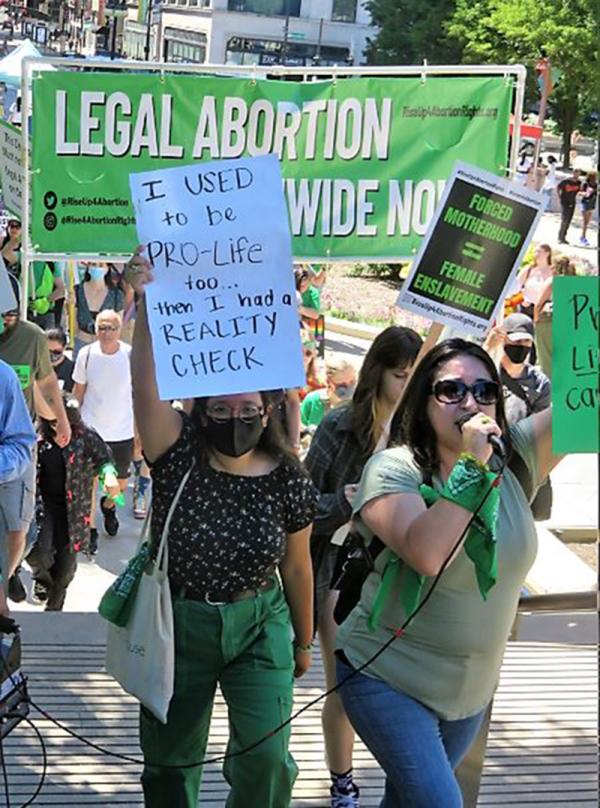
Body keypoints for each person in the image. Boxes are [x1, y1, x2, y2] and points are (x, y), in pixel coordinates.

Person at [125, 247, 316, 808]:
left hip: (260, 623)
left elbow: (298, 564)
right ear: (203, 410)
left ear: (268, 407)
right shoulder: (177, 450)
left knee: (267, 759)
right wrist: (145, 301)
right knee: (169, 761)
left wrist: (303, 641)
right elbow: (145, 388)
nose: (236, 420)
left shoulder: (287, 475)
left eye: (248, 410)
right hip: (180, 624)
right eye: (222, 411)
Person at [335, 338, 559, 807]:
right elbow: (428, 552)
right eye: (451, 390)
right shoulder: (392, 469)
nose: (470, 402)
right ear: (423, 400)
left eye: (483, 390)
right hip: (387, 678)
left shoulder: (516, 457)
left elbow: (587, 411)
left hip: (469, 693)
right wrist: (473, 464)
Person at [305, 326, 422, 808]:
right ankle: (343, 784)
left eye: (419, 377)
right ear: (378, 374)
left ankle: (409, 778)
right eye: (401, 376)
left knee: (406, 685)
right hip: (338, 568)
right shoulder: (338, 426)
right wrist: (344, 502)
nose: (409, 387)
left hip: (403, 570)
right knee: (344, 684)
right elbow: (301, 507)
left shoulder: (422, 432)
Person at [0, 272, 71, 603]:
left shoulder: (32, 337)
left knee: (19, 526)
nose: (5, 321)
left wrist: (62, 419)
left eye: (10, 314)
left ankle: (9, 573)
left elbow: (46, 382)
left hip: (18, 440)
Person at [27, 400, 120, 610]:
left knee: (66, 568)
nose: (59, 430)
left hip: (75, 511)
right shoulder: (37, 438)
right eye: (53, 424)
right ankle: (42, 580)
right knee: (37, 552)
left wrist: (109, 476)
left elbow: (104, 458)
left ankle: (54, 611)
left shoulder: (86, 438)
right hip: (43, 506)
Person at [484, 314, 553, 520]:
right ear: (504, 340)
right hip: (491, 458)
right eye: (515, 341)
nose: (521, 346)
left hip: (523, 463)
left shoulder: (540, 383)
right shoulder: (488, 374)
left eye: (526, 341)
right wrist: (488, 349)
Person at [73, 310, 134, 541]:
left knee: (118, 486)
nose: (106, 333)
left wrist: (139, 434)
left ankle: (108, 506)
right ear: (95, 329)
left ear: (120, 330)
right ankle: (90, 530)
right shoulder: (86, 354)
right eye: (102, 328)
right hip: (91, 431)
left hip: (122, 432)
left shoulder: (130, 356)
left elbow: (137, 396)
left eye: (111, 328)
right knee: (89, 483)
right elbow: (78, 393)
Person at [0, 359, 37, 616]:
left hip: (7, 476)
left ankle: (6, 577)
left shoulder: (4, 377)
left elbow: (20, 443)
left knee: (18, 531)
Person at [533, 255, 577, 379]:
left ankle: (550, 387)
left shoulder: (553, 281)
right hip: (568, 321)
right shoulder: (575, 281)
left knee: (546, 357)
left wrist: (536, 320)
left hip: (548, 321)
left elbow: (538, 304)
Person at [74, 264, 125, 357]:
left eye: (101, 265)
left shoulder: (117, 294)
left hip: (107, 345)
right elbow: (73, 320)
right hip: (82, 342)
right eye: (93, 264)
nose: (97, 268)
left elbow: (119, 324)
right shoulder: (77, 290)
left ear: (107, 268)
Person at [300, 359, 357, 430]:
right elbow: (299, 428)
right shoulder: (312, 401)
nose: (349, 388)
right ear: (328, 382)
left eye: (352, 382)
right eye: (342, 385)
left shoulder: (360, 405)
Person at [515, 244, 553, 321]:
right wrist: (522, 298)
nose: (536, 254)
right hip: (525, 308)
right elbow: (515, 288)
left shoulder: (553, 272)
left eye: (539, 251)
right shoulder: (528, 269)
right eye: (535, 251)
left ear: (547, 253)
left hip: (542, 312)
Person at [46, 326, 74, 393]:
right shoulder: (36, 367)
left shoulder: (72, 369)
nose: (52, 355)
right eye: (47, 351)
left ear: (64, 348)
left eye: (56, 352)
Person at [557, 169, 582, 244]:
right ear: (573, 173)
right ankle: (560, 237)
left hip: (572, 202)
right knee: (564, 219)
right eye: (576, 173)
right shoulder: (566, 181)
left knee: (569, 220)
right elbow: (558, 187)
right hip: (565, 202)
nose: (577, 175)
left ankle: (564, 237)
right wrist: (559, 197)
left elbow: (579, 191)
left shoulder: (578, 182)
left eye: (578, 174)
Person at [579, 171, 597, 246]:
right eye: (593, 177)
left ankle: (583, 237)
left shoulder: (595, 184)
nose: (594, 178)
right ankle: (582, 237)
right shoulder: (585, 184)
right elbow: (580, 193)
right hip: (585, 203)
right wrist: (586, 193)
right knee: (585, 222)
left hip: (592, 203)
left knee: (587, 221)